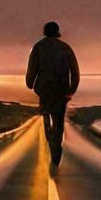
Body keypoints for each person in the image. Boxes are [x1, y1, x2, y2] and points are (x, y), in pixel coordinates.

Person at [25, 21, 80, 166]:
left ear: (45, 32)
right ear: (57, 32)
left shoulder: (38, 47)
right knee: (59, 121)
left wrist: (30, 83)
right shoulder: (66, 48)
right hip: (62, 92)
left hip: (44, 91)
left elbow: (31, 69)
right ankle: (57, 149)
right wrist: (72, 90)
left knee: (46, 114)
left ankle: (49, 136)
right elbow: (75, 72)